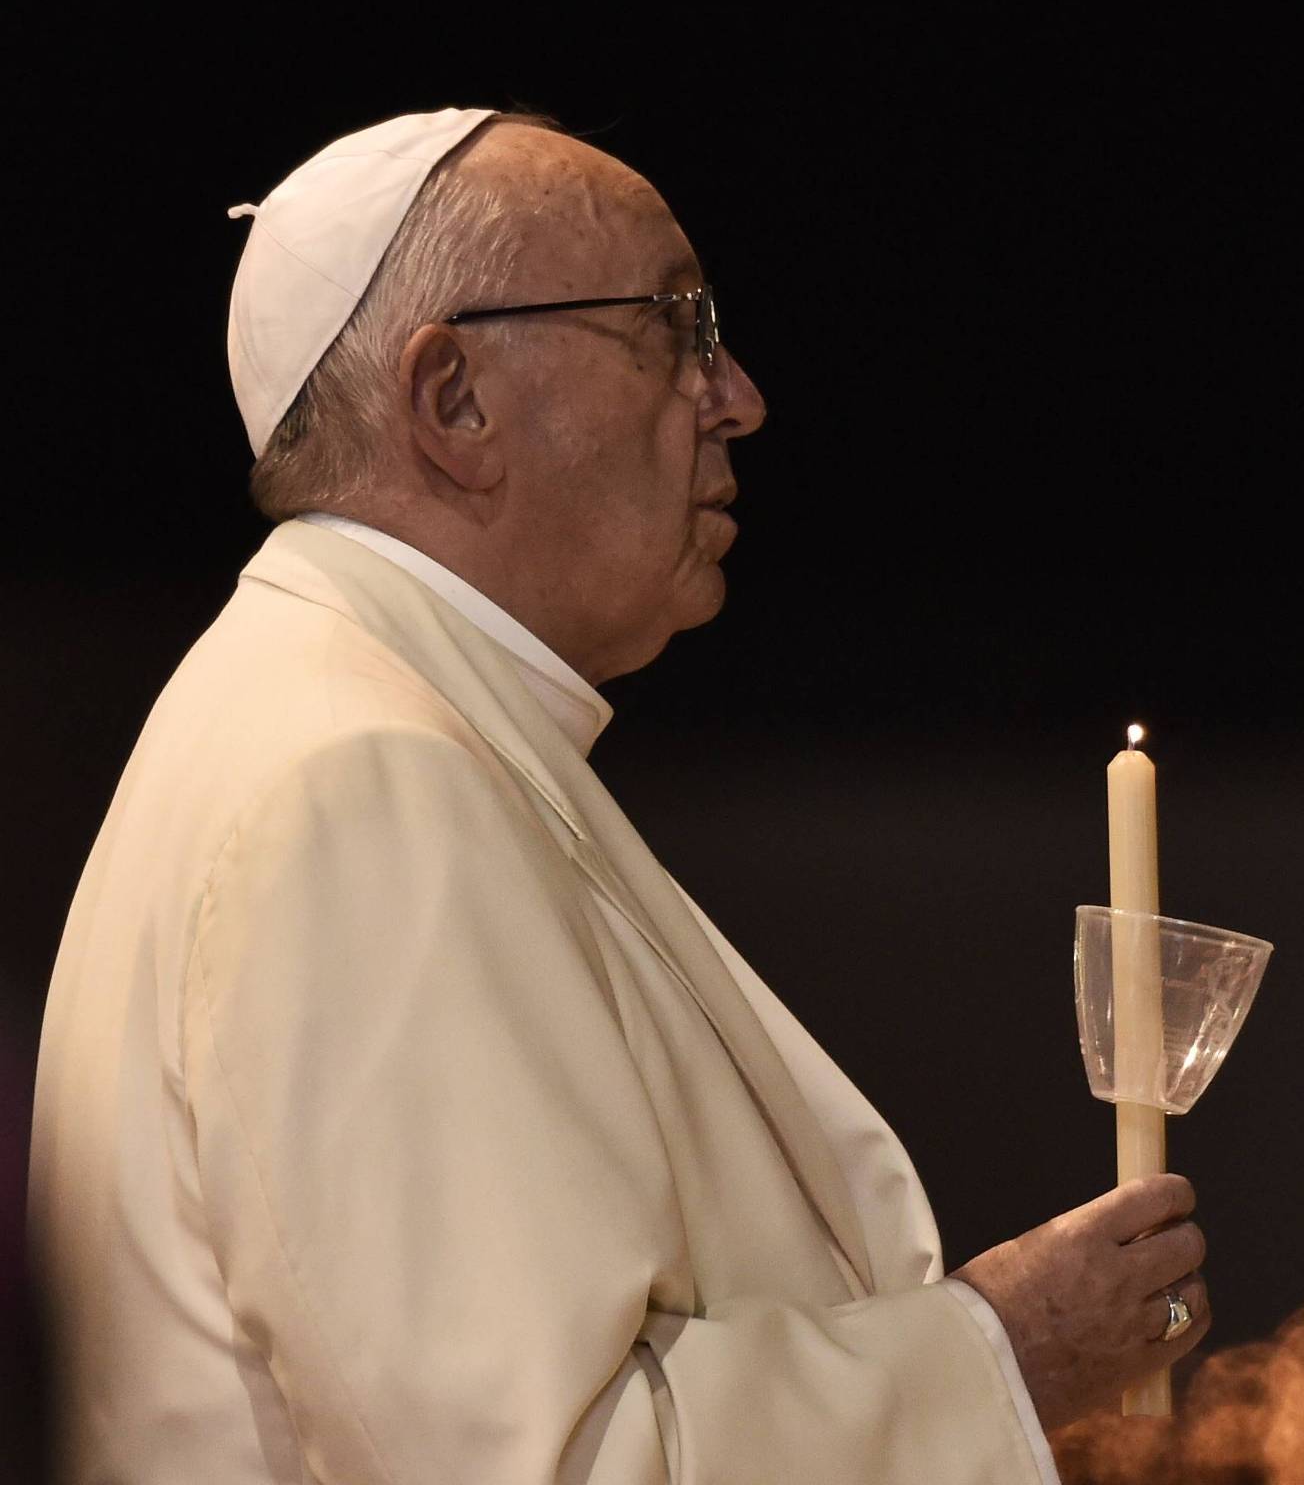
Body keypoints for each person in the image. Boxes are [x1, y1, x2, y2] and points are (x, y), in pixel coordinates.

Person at [27, 108, 1210, 1484]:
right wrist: (1002, 1353)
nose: (737, 395)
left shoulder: (356, 715)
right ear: (452, 401)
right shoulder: (359, 779)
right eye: (675, 328)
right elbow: (539, 1463)